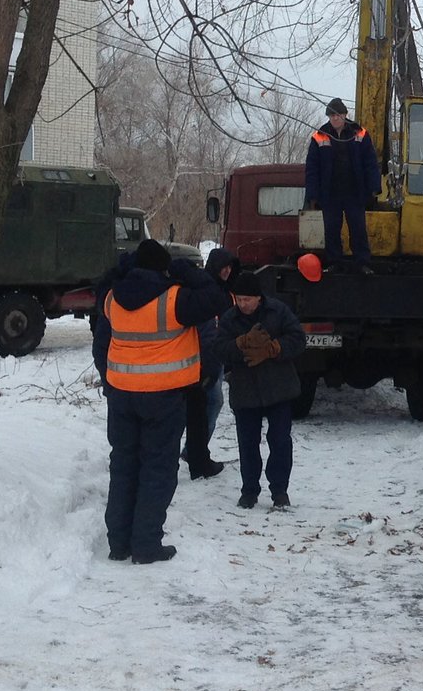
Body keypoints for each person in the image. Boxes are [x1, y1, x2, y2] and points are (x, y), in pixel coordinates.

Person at [94, 238, 227, 564]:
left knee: (124, 466)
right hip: (163, 397)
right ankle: (146, 544)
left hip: (122, 394)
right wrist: (187, 272)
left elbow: (103, 294)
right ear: (165, 267)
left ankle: (119, 543)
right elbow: (218, 298)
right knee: (157, 468)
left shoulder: (113, 299)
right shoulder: (176, 299)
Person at [215, 272, 306, 510]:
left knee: (280, 442)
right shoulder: (229, 319)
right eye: (239, 299)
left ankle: (279, 492)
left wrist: (274, 349)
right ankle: (249, 491)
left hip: (279, 389)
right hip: (245, 391)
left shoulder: (278, 312)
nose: (243, 304)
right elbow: (219, 349)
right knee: (247, 443)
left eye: (247, 299)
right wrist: (240, 343)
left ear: (258, 298)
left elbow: (298, 339)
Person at [181, 247, 240, 478]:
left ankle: (193, 451)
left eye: (230, 267)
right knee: (201, 405)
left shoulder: (229, 293)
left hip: (217, 358)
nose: (227, 271)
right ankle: (192, 453)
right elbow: (207, 330)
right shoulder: (206, 291)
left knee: (211, 404)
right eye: (223, 266)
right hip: (202, 359)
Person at [304, 97, 381, 273]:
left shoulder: (359, 133)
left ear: (345, 115)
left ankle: (363, 263)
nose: (335, 118)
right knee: (331, 229)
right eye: (331, 115)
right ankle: (333, 263)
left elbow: (370, 162)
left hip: (355, 192)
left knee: (358, 228)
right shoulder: (320, 135)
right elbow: (312, 168)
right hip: (330, 193)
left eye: (338, 115)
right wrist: (313, 194)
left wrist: (374, 188)